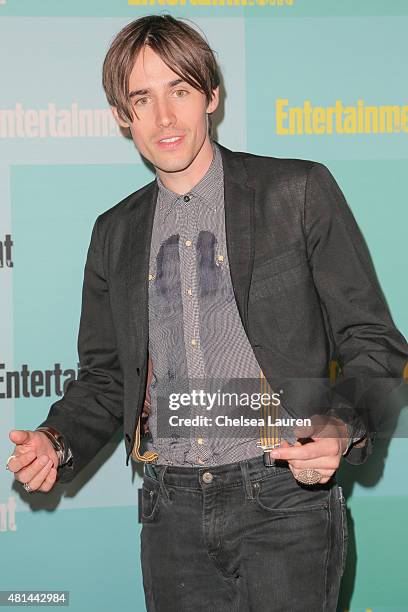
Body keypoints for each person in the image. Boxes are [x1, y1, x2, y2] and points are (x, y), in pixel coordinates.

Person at [6, 14, 408, 612]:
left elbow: (373, 341)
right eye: (142, 98)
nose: (164, 118)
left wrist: (339, 425)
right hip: (171, 515)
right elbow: (106, 378)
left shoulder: (295, 192)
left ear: (212, 96)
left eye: (181, 91)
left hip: (284, 501)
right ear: (123, 115)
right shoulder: (113, 234)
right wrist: (56, 441)